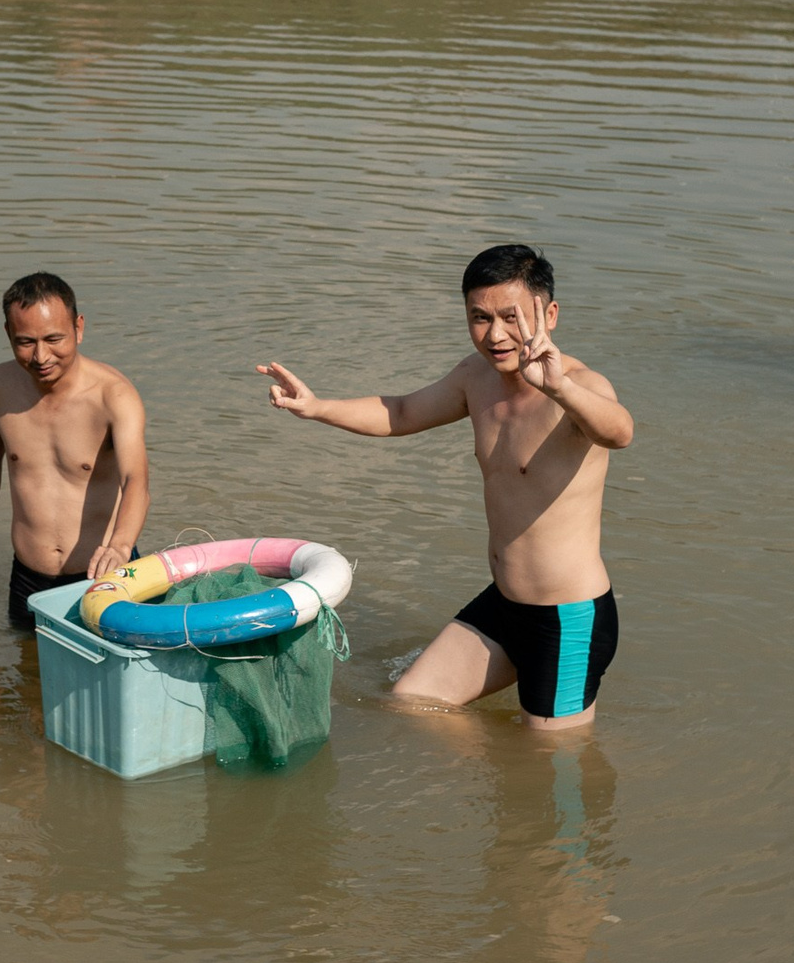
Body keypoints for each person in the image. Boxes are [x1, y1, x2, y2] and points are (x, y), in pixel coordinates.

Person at [255, 245, 634, 730]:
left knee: (551, 762)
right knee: (411, 700)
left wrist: (559, 388)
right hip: (505, 604)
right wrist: (316, 407)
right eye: (480, 317)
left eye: (511, 317)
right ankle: (490, 763)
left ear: (550, 315)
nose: (494, 334)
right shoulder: (475, 377)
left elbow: (619, 432)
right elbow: (402, 413)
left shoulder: (580, 387)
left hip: (566, 619)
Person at [0, 273, 150, 631]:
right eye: (25, 342)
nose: (41, 356)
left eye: (53, 339)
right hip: (29, 577)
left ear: (79, 328)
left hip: (105, 572)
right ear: (8, 334)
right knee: (26, 663)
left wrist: (121, 547)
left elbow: (135, 479)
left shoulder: (114, 396)